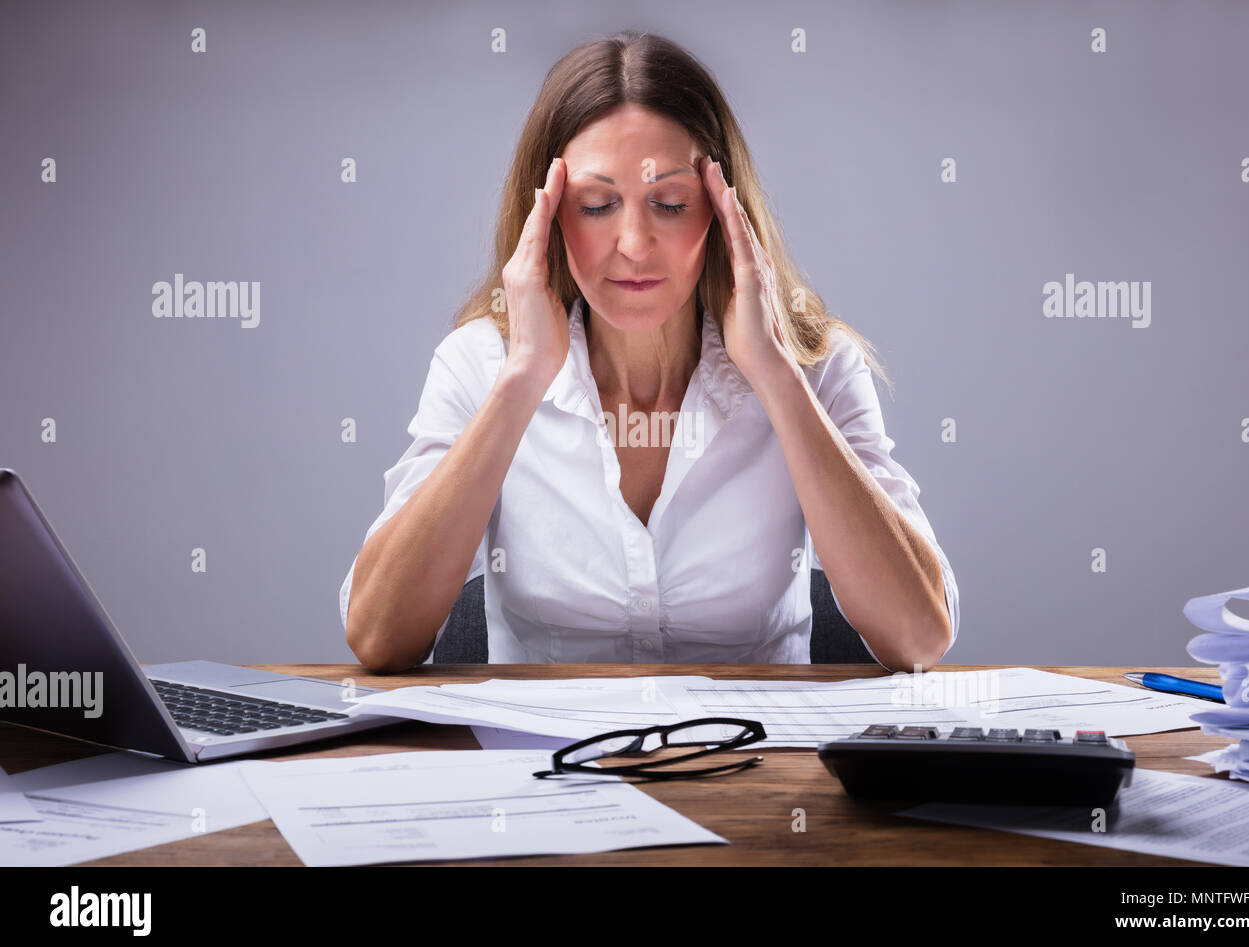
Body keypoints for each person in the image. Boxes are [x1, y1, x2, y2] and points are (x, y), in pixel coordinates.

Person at [340, 31, 958, 673]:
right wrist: (521, 380)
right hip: (540, 769)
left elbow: (917, 637)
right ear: (547, 216)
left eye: (669, 203)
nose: (634, 244)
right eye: (597, 205)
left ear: (723, 212)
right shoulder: (478, 365)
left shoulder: (816, 366)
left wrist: (775, 375)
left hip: (756, 764)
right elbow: (380, 636)